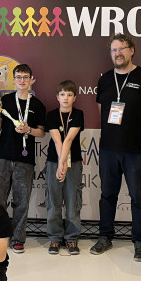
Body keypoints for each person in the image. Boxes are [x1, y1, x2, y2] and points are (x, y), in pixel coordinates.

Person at [91, 33, 141, 259]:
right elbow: (101, 110)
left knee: (138, 197)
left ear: (132, 50)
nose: (118, 53)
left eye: (122, 48)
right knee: (107, 195)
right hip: (109, 149)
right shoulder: (105, 79)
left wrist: (139, 130)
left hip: (135, 150)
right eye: (114, 50)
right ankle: (105, 236)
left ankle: (140, 241)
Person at [0, 64, 46, 253]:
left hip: (25, 160)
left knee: (22, 201)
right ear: (13, 80)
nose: (22, 80)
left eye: (25, 77)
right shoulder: (5, 100)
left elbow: (41, 132)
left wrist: (29, 129)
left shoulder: (38, 105)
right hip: (3, 157)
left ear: (31, 80)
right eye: (19, 77)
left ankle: (18, 239)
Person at [44, 80, 84, 255]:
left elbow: (69, 139)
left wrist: (65, 164)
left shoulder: (79, 114)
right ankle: (55, 237)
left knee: (72, 201)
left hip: (73, 163)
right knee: (53, 201)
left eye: (69, 94)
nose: (65, 98)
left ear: (74, 97)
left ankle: (72, 238)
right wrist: (61, 163)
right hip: (54, 162)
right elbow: (57, 140)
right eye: (62, 94)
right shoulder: (52, 115)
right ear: (57, 97)